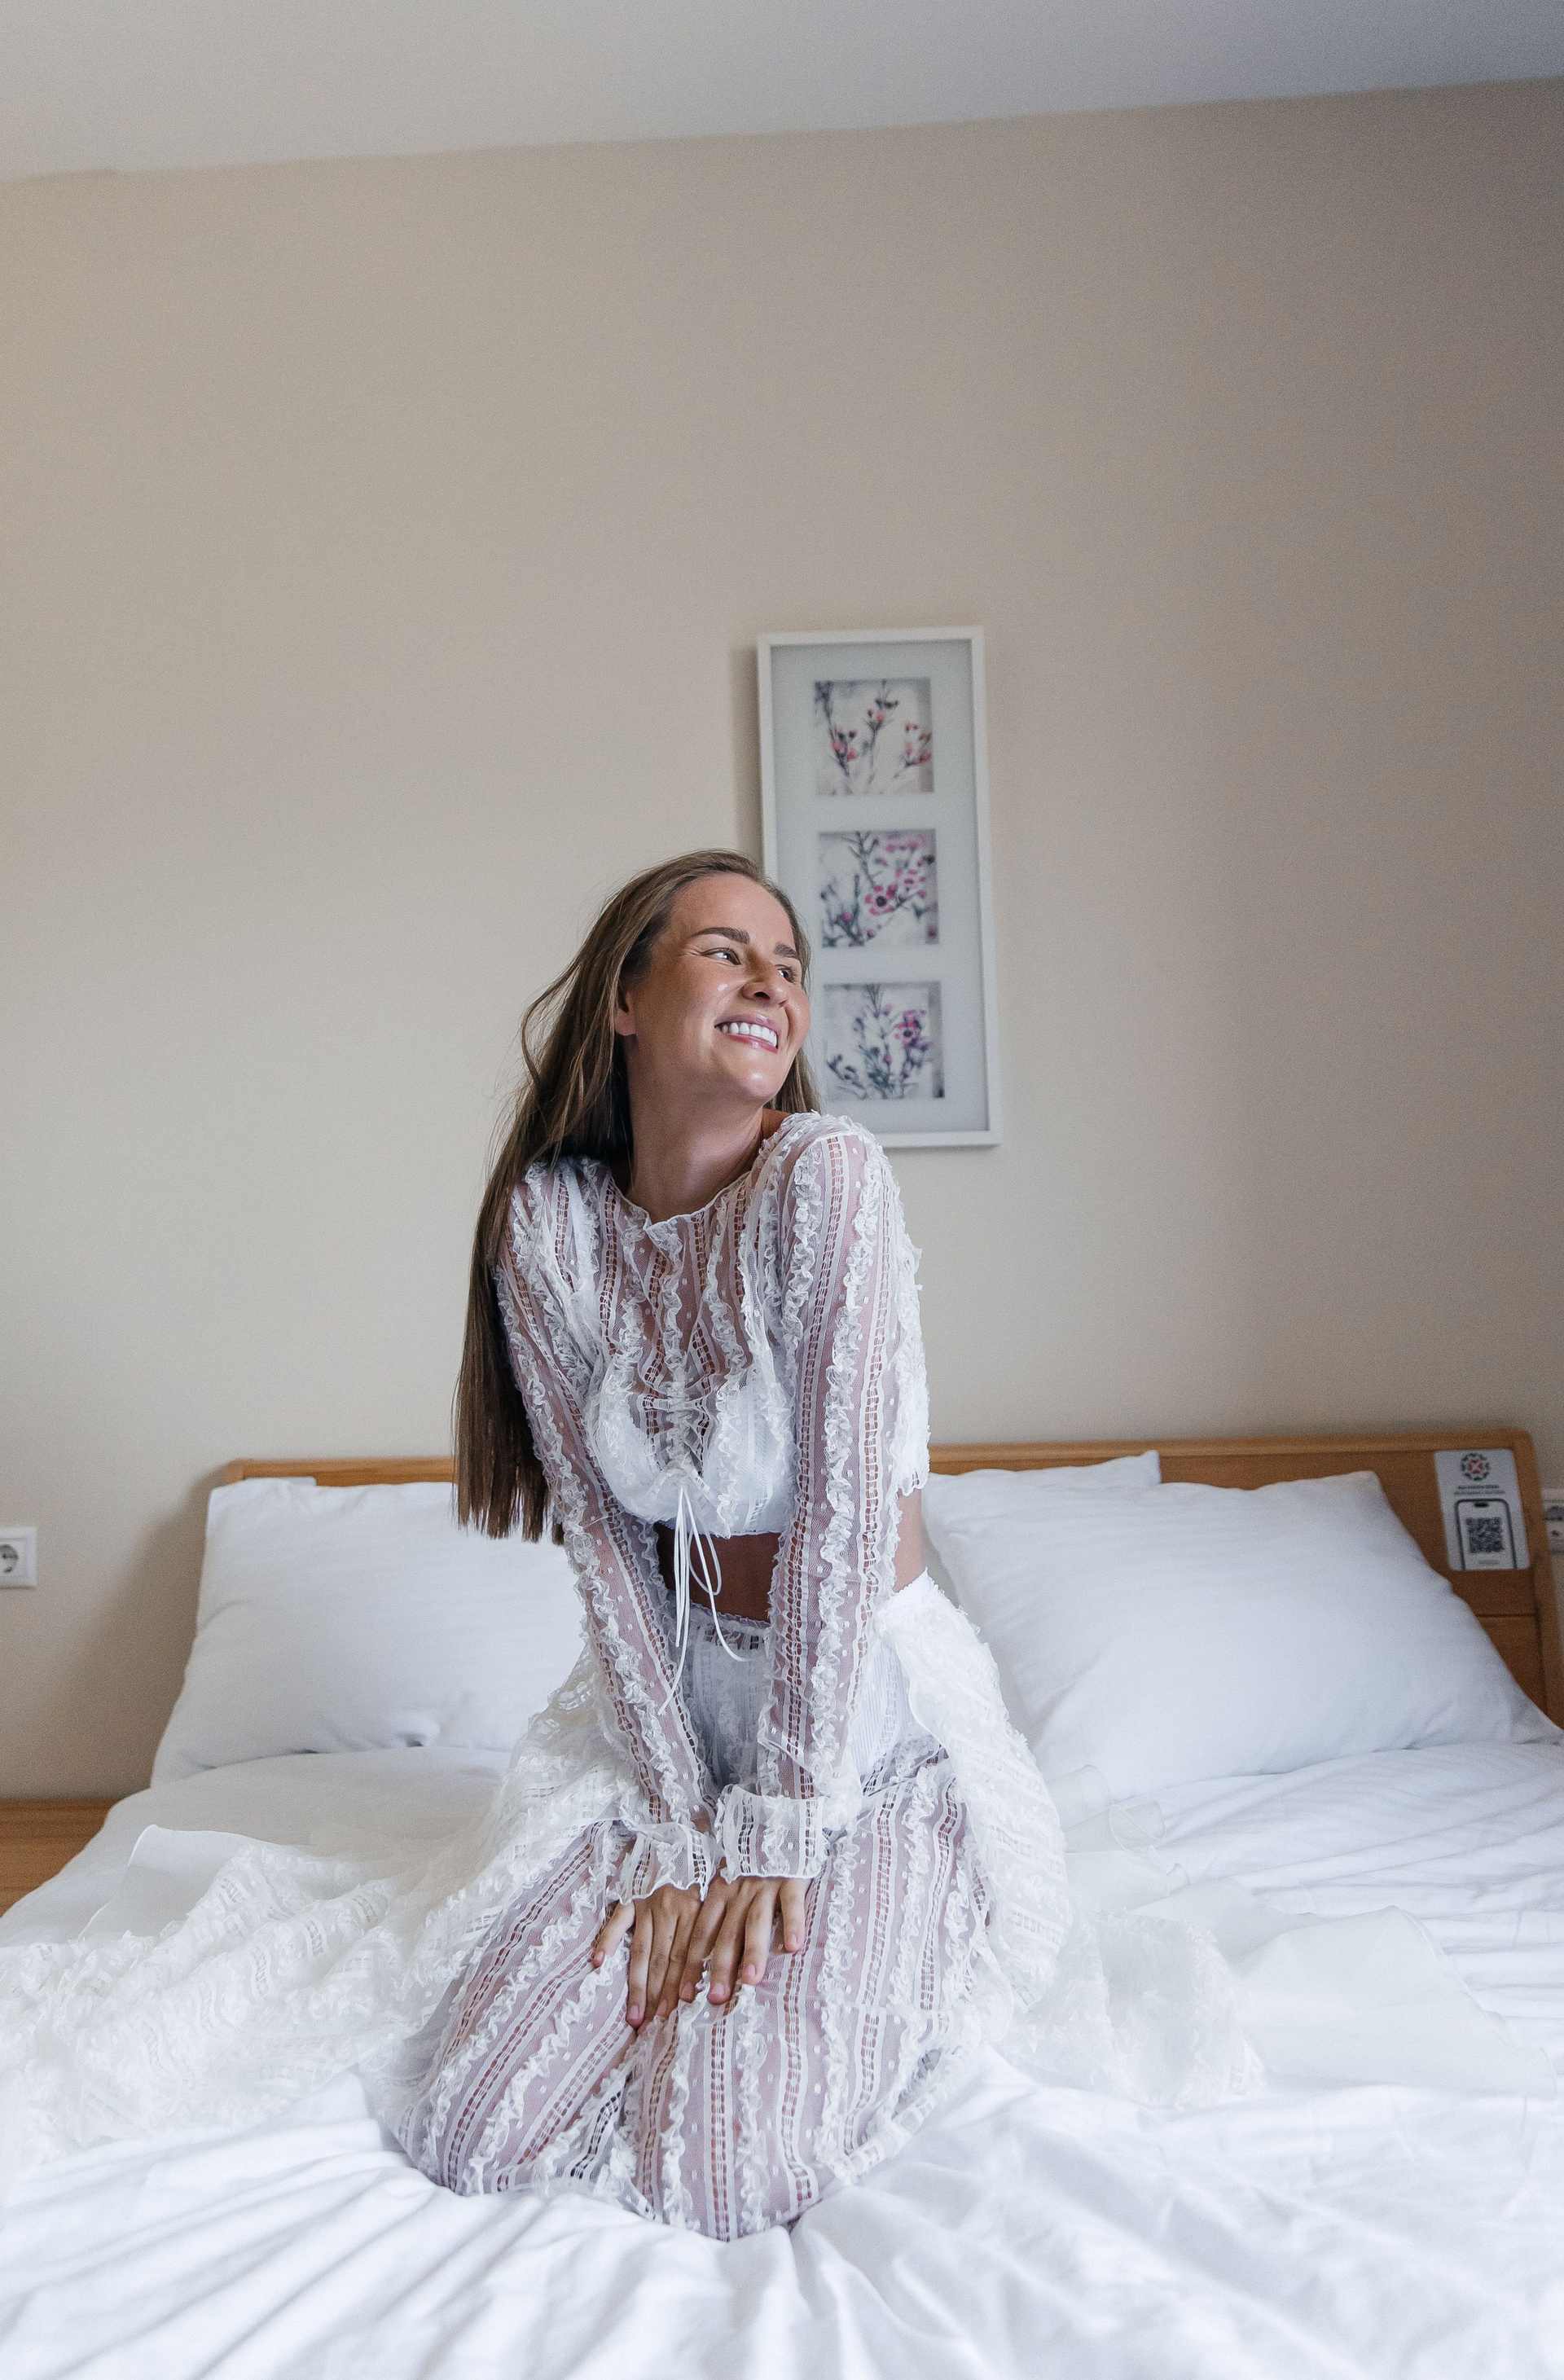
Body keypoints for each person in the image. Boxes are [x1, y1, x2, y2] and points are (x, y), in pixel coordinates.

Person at [397, 849, 988, 2232]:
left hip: (860, 1737)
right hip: (666, 1730)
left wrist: (774, 1829)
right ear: (625, 996)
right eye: (728, 952)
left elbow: (841, 1524)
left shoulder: (827, 1177)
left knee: (716, 2170)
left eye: (789, 966)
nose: (771, 984)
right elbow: (606, 1544)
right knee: (473, 2125)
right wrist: (676, 1822)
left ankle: (873, 1931)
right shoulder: (551, 1222)